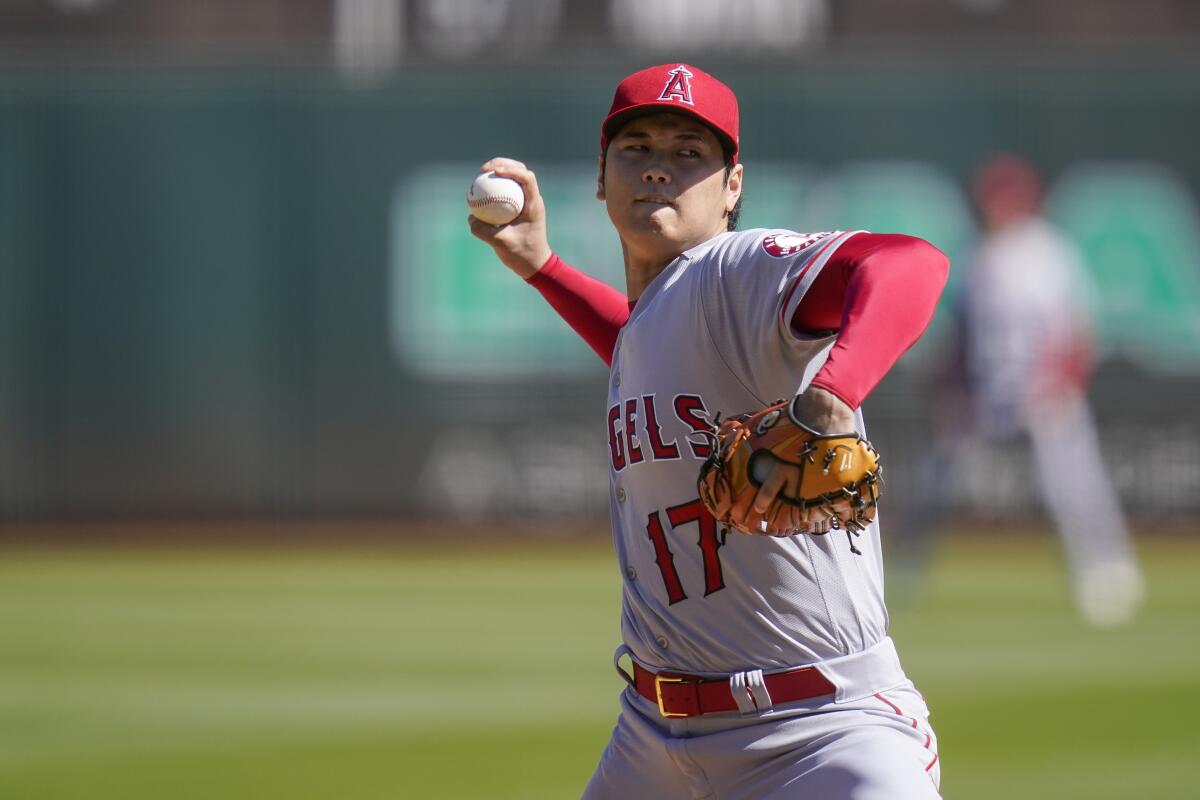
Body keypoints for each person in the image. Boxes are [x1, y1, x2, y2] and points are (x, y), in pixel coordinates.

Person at [470, 63, 949, 799]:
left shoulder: (734, 269)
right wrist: (543, 267)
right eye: (638, 149)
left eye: (689, 154)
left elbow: (910, 263)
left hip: (820, 733)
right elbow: (645, 345)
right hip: (650, 741)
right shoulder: (671, 312)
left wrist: (829, 396)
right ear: (602, 177)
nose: (659, 170)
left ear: (732, 187)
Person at [946, 153, 1143, 627]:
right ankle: (897, 575)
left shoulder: (1048, 250)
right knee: (938, 481)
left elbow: (1076, 327)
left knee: (1073, 485)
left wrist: (1063, 382)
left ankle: (1107, 569)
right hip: (990, 393)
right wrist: (957, 391)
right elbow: (964, 335)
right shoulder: (980, 256)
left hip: (1042, 390)